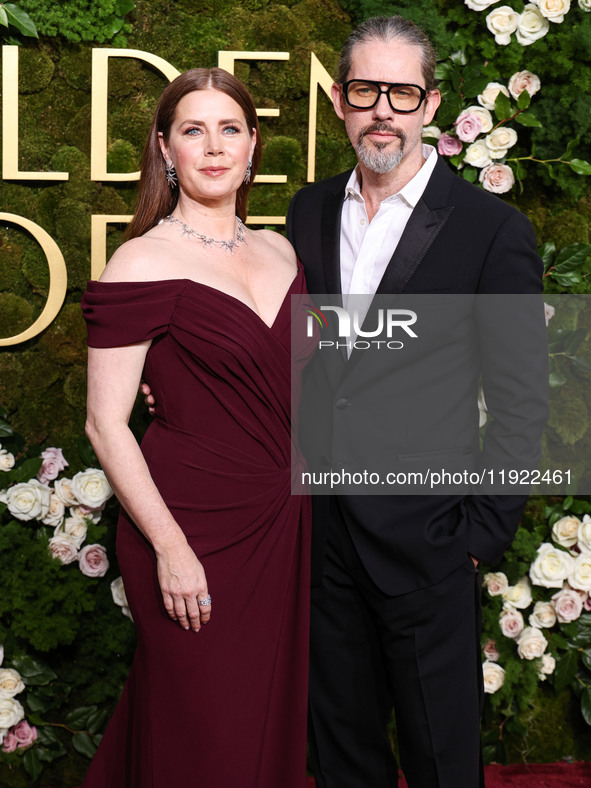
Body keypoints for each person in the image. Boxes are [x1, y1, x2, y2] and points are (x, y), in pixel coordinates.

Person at [286, 15, 548, 788]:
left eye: (402, 93)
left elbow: (520, 395)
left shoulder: (490, 229)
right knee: (339, 757)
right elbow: (301, 356)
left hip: (429, 542)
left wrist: (478, 535)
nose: (383, 111)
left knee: (440, 760)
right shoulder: (307, 210)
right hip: (323, 537)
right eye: (366, 90)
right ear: (340, 100)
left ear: (430, 105)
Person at [81, 67, 314, 788]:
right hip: (191, 530)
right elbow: (104, 424)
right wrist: (171, 548)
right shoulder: (139, 260)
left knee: (268, 730)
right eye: (192, 130)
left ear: (252, 148)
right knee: (202, 738)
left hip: (285, 525)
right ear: (164, 149)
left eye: (229, 129)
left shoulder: (282, 252)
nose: (213, 147)